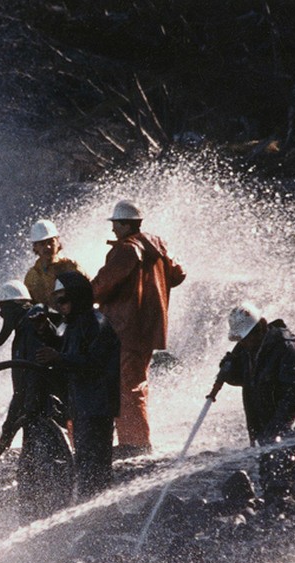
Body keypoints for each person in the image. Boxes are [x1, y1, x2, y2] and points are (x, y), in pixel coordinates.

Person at [90, 199, 185, 457]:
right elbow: (179, 274)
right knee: (136, 383)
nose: (112, 230)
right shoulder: (158, 245)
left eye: (115, 225)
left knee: (125, 385)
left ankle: (135, 444)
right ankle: (136, 441)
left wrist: (80, 298)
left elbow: (102, 285)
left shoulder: (126, 250)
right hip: (148, 329)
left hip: (124, 328)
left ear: (125, 224)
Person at [217, 303, 295, 502]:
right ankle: (274, 500)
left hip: (294, 413)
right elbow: (241, 377)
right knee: (267, 460)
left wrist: (278, 427)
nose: (246, 342)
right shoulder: (247, 348)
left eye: (248, 337)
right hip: (266, 409)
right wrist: (226, 367)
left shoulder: (285, 347)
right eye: (242, 339)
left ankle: (281, 502)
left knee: (281, 458)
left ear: (262, 327)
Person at [0, 281, 72, 520]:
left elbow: (35, 376)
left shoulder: (33, 329)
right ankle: (35, 521)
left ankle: (51, 521)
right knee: (30, 474)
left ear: (16, 306)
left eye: (3, 309)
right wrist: (6, 436)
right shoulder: (24, 331)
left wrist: (27, 414)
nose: (1, 314)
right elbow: (21, 390)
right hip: (35, 416)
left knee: (44, 473)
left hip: (45, 416)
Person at [37, 270, 119, 502]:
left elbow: (95, 363)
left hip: (96, 408)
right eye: (56, 301)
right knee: (85, 465)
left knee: (94, 468)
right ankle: (91, 511)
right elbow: (70, 351)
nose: (60, 306)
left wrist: (58, 358)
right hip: (83, 406)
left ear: (78, 296)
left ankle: (100, 514)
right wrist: (49, 337)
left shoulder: (95, 322)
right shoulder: (76, 324)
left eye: (63, 300)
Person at [23, 219, 78, 308]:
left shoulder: (71, 266)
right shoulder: (31, 277)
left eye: (50, 242)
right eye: (42, 244)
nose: (47, 247)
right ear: (35, 247)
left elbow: (89, 291)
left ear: (58, 242)